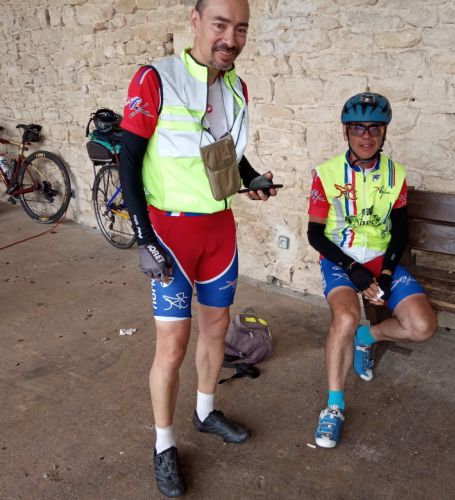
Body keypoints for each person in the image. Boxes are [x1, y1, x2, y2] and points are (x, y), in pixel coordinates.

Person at [119, 0, 278, 496]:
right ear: (195, 22)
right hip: (169, 233)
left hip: (219, 231)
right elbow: (128, 161)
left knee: (216, 329)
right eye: (220, 25)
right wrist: (143, 238)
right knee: (172, 346)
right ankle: (164, 445)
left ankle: (206, 412)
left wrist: (252, 178)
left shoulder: (236, 86)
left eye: (241, 29)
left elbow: (224, 150)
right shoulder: (155, 79)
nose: (231, 38)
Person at [307, 92, 436, 449]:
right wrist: (353, 268)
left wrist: (388, 274)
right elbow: (315, 234)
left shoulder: (396, 175)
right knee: (346, 318)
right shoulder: (326, 174)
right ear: (345, 132)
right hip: (340, 259)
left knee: (423, 327)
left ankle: (368, 337)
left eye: (375, 128)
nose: (366, 136)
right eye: (358, 128)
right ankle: (334, 406)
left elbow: (401, 232)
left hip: (380, 259)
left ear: (384, 132)